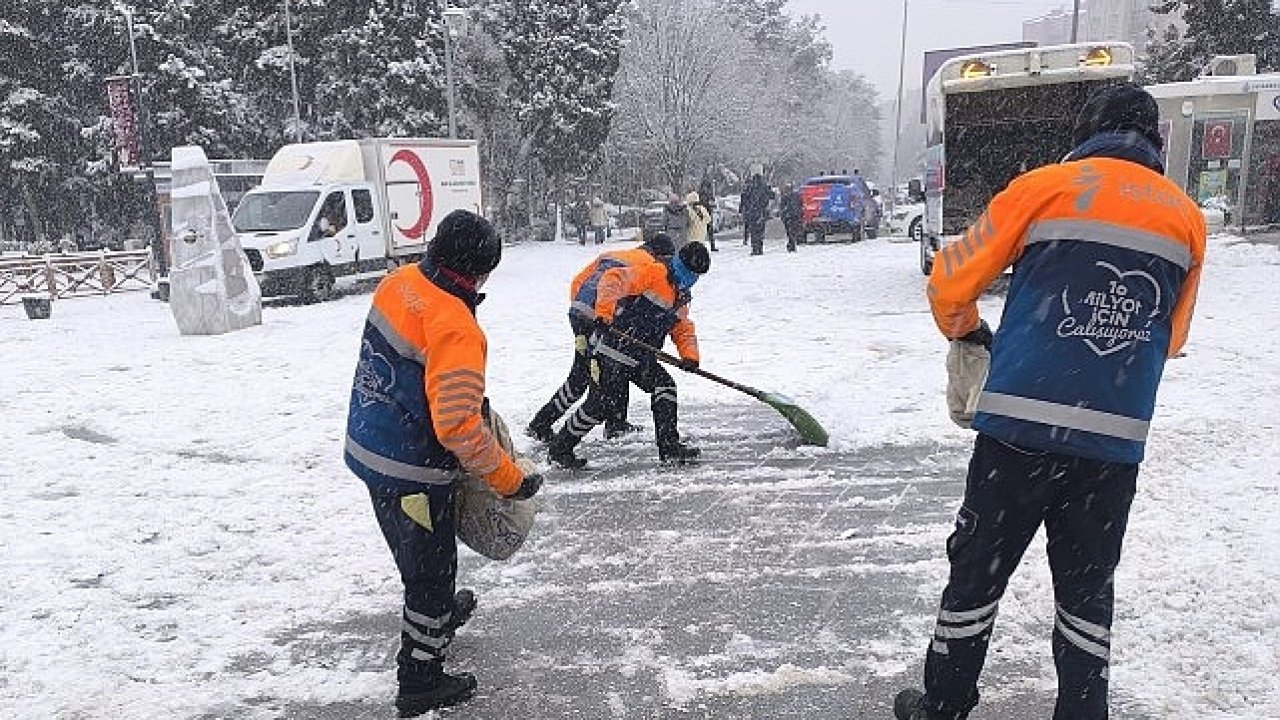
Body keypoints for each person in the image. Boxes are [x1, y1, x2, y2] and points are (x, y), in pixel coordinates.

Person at [894, 83, 1205, 720]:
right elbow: (1172, 337)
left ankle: (945, 703)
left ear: (1087, 132)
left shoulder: (1044, 188)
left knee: (977, 573)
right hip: (1112, 444)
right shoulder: (1186, 217)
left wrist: (968, 332)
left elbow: (950, 279)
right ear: (1155, 142)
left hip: (1019, 433)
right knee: (1087, 590)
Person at [344, 209, 544, 717]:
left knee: (420, 559)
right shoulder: (454, 326)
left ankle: (434, 616)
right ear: (478, 273)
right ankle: (420, 679)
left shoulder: (401, 282)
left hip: (372, 441)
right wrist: (509, 478)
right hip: (411, 469)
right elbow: (457, 426)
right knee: (430, 574)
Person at [546, 242, 710, 469]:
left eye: (695, 276)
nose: (690, 278)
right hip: (611, 348)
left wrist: (690, 356)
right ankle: (559, 448)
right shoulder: (655, 272)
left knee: (665, 386)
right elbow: (612, 279)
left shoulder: (681, 295)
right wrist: (604, 314)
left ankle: (669, 447)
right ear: (678, 263)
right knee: (599, 405)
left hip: (640, 356)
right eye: (688, 272)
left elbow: (682, 327)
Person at [526, 233, 677, 443]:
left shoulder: (614, 254)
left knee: (613, 366)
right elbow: (627, 293)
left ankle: (616, 422)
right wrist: (606, 316)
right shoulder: (652, 265)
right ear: (662, 255)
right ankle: (542, 424)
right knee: (585, 376)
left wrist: (582, 312)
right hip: (600, 319)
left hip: (580, 313)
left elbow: (579, 281)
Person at [740, 173, 774, 256]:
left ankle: (755, 248)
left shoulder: (749, 187)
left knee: (753, 231)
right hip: (761, 212)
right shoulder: (764, 187)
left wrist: (742, 209)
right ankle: (759, 248)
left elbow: (744, 198)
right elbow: (772, 196)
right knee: (760, 231)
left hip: (752, 212)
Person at [779, 182, 803, 252]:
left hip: (789, 216)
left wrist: (783, 215)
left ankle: (791, 243)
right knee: (793, 231)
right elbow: (800, 204)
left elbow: (782, 207)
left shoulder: (785, 197)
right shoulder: (796, 196)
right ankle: (792, 243)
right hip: (793, 216)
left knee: (790, 231)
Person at [698, 177, 718, 251]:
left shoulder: (701, 194)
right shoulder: (706, 194)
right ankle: (711, 245)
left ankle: (709, 245)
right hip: (704, 213)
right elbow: (712, 202)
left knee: (705, 231)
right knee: (707, 231)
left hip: (703, 214)